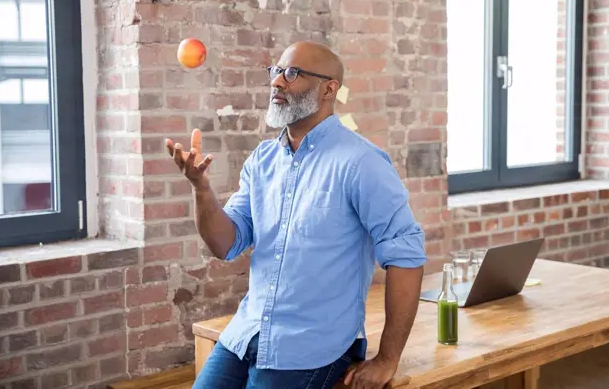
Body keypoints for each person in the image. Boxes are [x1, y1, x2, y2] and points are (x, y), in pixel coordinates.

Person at [166, 41, 427, 389]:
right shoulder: (262, 160)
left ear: (328, 89)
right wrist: (201, 189)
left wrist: (387, 359)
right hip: (248, 332)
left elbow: (406, 256)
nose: (277, 82)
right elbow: (224, 244)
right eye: (275, 72)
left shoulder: (361, 162)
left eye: (292, 73)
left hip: (314, 347)